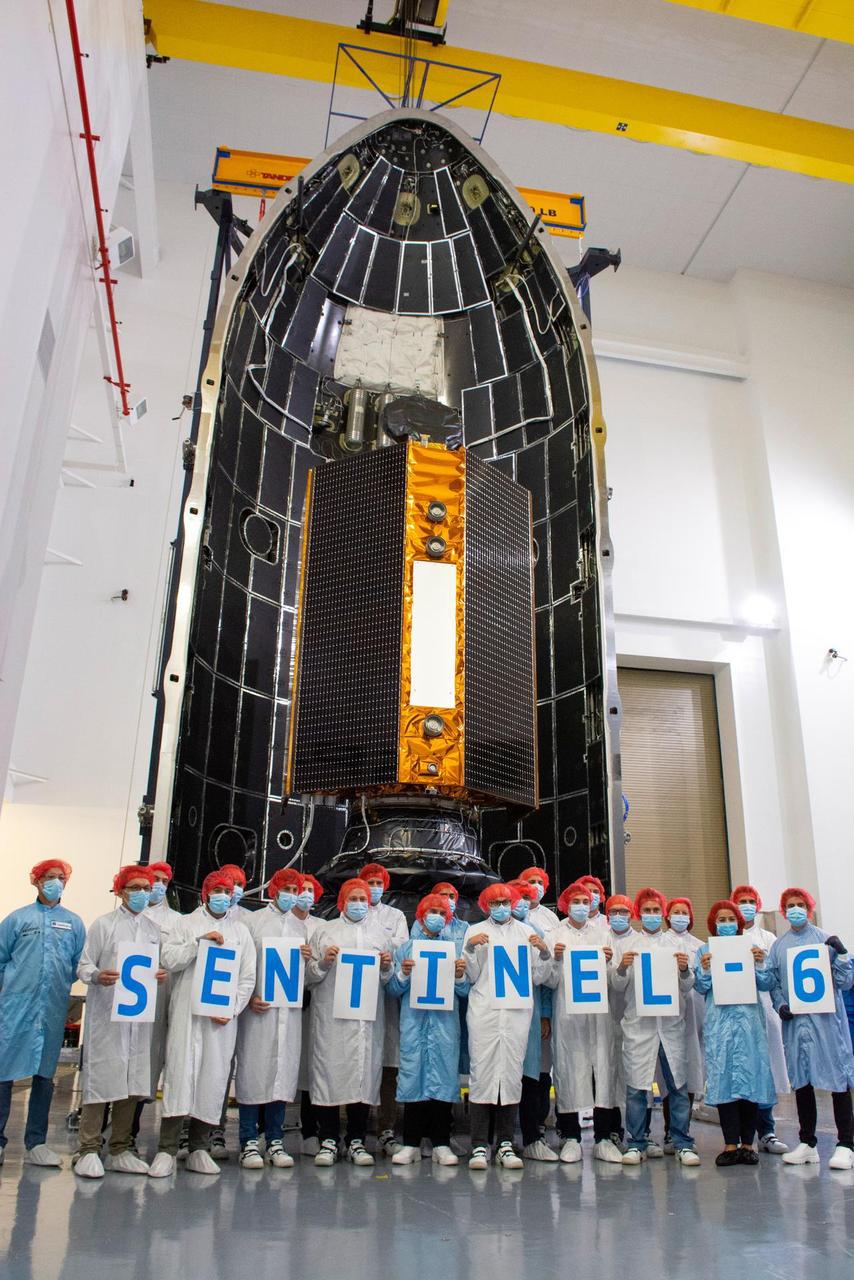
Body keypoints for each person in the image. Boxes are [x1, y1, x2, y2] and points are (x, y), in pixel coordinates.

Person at [149, 870, 255, 1178]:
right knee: (180, 1076)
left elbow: (247, 977)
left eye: (228, 889)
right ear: (205, 894)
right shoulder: (184, 924)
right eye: (217, 890)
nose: (223, 895)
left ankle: (199, 1147)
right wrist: (199, 943)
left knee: (213, 1077)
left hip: (220, 1020)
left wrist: (232, 1008)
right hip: (187, 1016)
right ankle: (167, 1149)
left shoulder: (241, 932)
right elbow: (169, 959)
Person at [74, 865, 165, 1179]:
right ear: (121, 890)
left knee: (131, 1083)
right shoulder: (104, 925)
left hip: (138, 1020)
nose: (142, 892)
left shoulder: (154, 931)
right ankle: (87, 1148)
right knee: (101, 1081)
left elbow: (157, 967)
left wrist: (160, 975)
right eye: (135, 887)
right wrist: (97, 976)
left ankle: (120, 1148)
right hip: (107, 1018)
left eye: (146, 886)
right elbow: (84, 964)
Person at [0, 859, 85, 1169]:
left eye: (61, 877)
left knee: (44, 1076)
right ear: (36, 881)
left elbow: (78, 965)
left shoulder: (74, 924)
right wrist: (14, 989)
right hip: (16, 1008)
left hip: (51, 1008)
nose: (56, 882)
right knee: (4, 1073)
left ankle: (36, 1142)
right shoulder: (17, 920)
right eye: (49, 877)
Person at [305, 877, 394, 1167]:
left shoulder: (380, 934)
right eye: (353, 898)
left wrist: (386, 967)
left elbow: (388, 980)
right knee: (329, 1073)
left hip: (366, 1020)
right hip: (331, 1018)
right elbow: (309, 977)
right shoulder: (324, 932)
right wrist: (324, 963)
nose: (359, 904)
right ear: (343, 901)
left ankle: (356, 1139)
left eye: (363, 899)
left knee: (362, 1075)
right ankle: (328, 1139)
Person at [610, 886, 700, 1166]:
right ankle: (636, 1142)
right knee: (637, 1087)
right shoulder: (628, 945)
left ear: (663, 913)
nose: (651, 915)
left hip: (671, 1026)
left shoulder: (677, 946)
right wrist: (622, 967)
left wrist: (685, 970)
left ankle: (682, 1140)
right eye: (646, 910)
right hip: (639, 1026)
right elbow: (616, 985)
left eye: (655, 910)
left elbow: (687, 988)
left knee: (677, 1085)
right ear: (639, 913)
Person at [463, 882, 551, 1171]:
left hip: (516, 1015)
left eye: (504, 901)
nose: (500, 907)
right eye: (494, 902)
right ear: (486, 905)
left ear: (512, 902)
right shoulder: (473, 931)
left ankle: (504, 1142)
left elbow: (539, 977)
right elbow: (471, 976)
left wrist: (544, 952)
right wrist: (471, 950)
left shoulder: (528, 933)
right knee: (483, 1073)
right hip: (485, 1012)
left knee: (511, 1074)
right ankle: (479, 1144)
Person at [767, 887, 854, 1170]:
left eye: (800, 904)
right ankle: (808, 1142)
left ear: (809, 907)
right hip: (795, 1026)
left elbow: (845, 982)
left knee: (837, 1080)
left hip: (827, 1024)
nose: (795, 909)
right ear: (783, 911)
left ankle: (846, 1144)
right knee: (801, 1080)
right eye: (790, 905)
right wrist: (780, 1005)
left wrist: (841, 956)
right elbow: (775, 983)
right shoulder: (779, 946)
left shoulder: (824, 940)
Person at [235, 869, 312, 1169]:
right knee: (254, 1073)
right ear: (274, 889)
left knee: (282, 1073)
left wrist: (307, 961)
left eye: (296, 888)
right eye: (288, 888)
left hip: (288, 1013)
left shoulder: (299, 928)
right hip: (258, 1012)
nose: (292, 893)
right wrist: (250, 996)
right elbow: (244, 964)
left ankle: (275, 1139)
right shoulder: (252, 923)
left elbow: (303, 978)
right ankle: (248, 1140)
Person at [388, 893, 469, 1166]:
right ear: (421, 917)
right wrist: (403, 974)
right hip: (414, 1025)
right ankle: (410, 1142)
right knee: (413, 1078)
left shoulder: (455, 951)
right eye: (431, 911)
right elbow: (393, 989)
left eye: (441, 911)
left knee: (443, 1080)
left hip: (445, 1026)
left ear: (447, 918)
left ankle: (441, 1143)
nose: (436, 916)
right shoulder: (406, 950)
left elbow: (464, 990)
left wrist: (459, 976)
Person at [544, 881, 622, 1164]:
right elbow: (548, 980)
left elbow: (615, 981)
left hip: (599, 1018)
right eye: (574, 901)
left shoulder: (604, 935)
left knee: (603, 1071)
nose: (580, 906)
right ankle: (571, 1136)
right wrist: (554, 959)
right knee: (568, 1070)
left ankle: (603, 1138)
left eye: (585, 900)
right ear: (565, 904)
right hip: (568, 1017)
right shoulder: (555, 935)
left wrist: (613, 963)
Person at [694, 900, 776, 1167]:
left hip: (749, 1024)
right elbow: (700, 987)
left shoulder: (750, 949)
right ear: (713, 923)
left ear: (738, 923)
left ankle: (748, 1144)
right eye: (722, 919)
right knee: (725, 1081)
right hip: (720, 1024)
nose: (726, 923)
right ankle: (730, 1144)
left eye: (731, 919)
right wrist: (704, 968)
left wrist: (761, 964)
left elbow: (766, 983)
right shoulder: (705, 951)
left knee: (750, 1082)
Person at [730, 884, 789, 1153]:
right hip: (733, 1018)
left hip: (763, 1012)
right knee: (739, 1074)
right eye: (740, 901)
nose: (746, 905)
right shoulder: (726, 938)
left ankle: (767, 1131)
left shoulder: (768, 939)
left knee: (765, 1072)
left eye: (750, 901)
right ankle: (743, 1136)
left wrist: (761, 962)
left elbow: (775, 979)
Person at [359, 862, 408, 1156]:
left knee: (389, 1066)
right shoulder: (348, 918)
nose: (374, 886)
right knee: (359, 1062)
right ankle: (356, 1129)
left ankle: (386, 1128)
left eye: (378, 882)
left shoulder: (396, 916)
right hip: (355, 1000)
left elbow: (399, 951)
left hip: (387, 1000)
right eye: (369, 881)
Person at [135, 860, 183, 1146]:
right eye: (154, 879)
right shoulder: (120, 921)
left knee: (170, 1065)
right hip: (136, 1006)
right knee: (135, 1067)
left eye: (165, 881)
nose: (158, 886)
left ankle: (171, 1140)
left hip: (169, 1000)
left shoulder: (177, 921)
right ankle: (124, 1133)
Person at [509, 880, 556, 1163]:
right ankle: (496, 1139)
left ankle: (531, 1138)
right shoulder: (485, 931)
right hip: (498, 1015)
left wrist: (545, 1014)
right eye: (518, 896)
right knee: (499, 1073)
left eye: (527, 897)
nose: (523, 901)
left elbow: (545, 981)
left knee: (529, 1076)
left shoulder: (535, 932)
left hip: (530, 1011)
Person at [660, 896, 705, 1154]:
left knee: (690, 1072)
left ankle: (683, 1129)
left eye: (684, 912)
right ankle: (669, 1130)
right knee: (670, 1075)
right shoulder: (660, 943)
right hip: (668, 1016)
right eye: (675, 912)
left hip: (694, 1016)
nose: (680, 916)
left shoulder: (700, 947)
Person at [293, 874, 323, 1156]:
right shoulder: (277, 925)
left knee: (310, 1068)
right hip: (281, 1004)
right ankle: (267, 1131)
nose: (304, 894)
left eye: (309, 890)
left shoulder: (321, 927)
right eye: (299, 889)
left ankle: (310, 1130)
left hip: (313, 1004)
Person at [604, 893, 634, 1146]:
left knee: (632, 1077)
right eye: (613, 911)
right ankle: (613, 1128)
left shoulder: (640, 941)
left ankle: (636, 1131)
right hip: (604, 1018)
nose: (618, 916)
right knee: (608, 1076)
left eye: (623, 911)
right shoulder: (600, 939)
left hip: (633, 1019)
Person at [518, 867, 560, 934]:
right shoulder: (512, 914)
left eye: (540, 883)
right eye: (532, 882)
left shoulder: (551, 917)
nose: (536, 886)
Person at [579, 875, 610, 942]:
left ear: (600, 896)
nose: (592, 895)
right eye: (587, 891)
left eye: (596, 892)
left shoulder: (609, 923)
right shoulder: (566, 924)